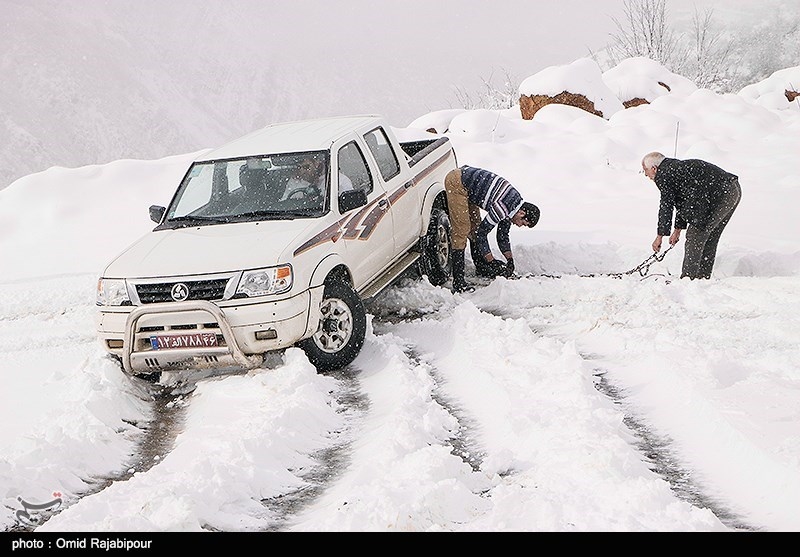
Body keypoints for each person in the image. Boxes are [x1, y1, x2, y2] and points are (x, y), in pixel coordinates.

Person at [641, 152, 741, 280]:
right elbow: (681, 202)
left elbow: (666, 206)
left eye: (645, 170)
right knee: (709, 236)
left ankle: (688, 280)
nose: (645, 175)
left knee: (695, 235)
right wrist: (677, 230)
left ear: (654, 169)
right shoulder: (674, 169)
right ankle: (701, 279)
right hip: (731, 189)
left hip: (721, 194)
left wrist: (659, 236)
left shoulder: (664, 175)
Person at [444, 165, 540, 292]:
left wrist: (510, 260)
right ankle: (458, 282)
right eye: (523, 223)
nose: (520, 225)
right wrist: (492, 261)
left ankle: (481, 267)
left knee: (475, 227)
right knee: (462, 230)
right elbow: (481, 235)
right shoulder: (502, 208)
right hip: (458, 182)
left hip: (469, 187)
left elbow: (502, 235)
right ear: (522, 213)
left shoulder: (514, 204)